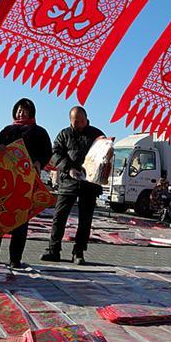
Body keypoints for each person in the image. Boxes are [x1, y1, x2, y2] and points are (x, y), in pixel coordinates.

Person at [0, 98, 52, 269]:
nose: (20, 113)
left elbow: (47, 152)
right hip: (3, 180)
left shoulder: (39, 132)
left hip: (24, 181)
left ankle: (15, 258)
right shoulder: (8, 129)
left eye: (24, 110)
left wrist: (39, 162)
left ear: (31, 112)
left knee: (20, 218)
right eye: (18, 110)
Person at [40, 106, 105, 265]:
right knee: (59, 217)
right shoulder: (64, 134)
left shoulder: (97, 135)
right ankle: (53, 250)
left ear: (86, 118)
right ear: (70, 121)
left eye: (82, 121)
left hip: (89, 184)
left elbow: (105, 154)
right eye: (76, 122)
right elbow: (55, 154)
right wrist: (68, 169)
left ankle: (78, 252)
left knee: (85, 220)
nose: (79, 124)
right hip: (68, 182)